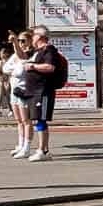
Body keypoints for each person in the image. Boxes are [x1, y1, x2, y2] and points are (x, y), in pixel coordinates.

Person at [25, 26, 67, 162]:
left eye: (33, 35)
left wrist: (32, 66)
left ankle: (42, 151)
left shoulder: (49, 50)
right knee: (37, 119)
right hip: (35, 91)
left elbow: (50, 67)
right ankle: (44, 150)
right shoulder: (38, 51)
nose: (31, 37)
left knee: (40, 120)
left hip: (43, 91)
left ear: (40, 37)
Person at [4, 32, 35, 157]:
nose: (21, 44)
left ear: (29, 41)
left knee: (26, 120)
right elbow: (5, 69)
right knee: (18, 120)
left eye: (23, 41)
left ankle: (27, 147)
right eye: (20, 41)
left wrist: (15, 42)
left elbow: (19, 70)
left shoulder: (31, 54)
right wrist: (14, 70)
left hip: (24, 91)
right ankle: (21, 144)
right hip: (14, 90)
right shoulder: (14, 56)